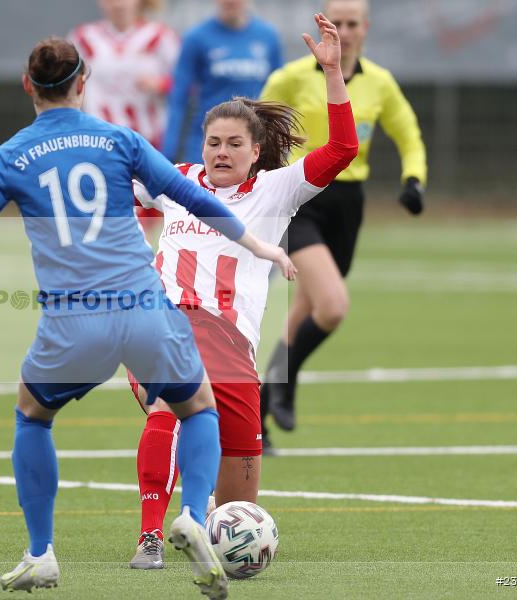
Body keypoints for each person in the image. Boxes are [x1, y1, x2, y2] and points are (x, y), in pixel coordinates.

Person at [0, 37, 291, 600]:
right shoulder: (119, 140)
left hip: (72, 321)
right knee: (199, 408)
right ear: (83, 83)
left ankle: (40, 553)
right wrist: (257, 244)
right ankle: (191, 514)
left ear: (27, 85)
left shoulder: (8, 157)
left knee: (32, 416)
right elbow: (194, 196)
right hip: (144, 309)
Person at [127, 13, 358, 569]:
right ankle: (150, 536)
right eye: (213, 142)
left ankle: (205, 521)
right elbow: (110, 190)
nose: (221, 152)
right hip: (165, 323)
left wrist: (333, 74)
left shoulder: (276, 192)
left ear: (256, 152)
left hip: (233, 348)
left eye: (234, 143)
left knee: (235, 511)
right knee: (170, 401)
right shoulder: (175, 181)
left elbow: (343, 149)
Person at [257, 0, 428, 449]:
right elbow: (256, 128)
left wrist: (414, 179)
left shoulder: (380, 82)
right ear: (324, 25)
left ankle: (258, 414)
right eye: (338, 22)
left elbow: (408, 134)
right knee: (332, 306)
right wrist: (259, 182)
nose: (345, 31)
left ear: (365, 28)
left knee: (303, 312)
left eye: (353, 23)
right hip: (300, 198)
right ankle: (285, 385)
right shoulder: (291, 77)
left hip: (348, 204)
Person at [68, 0, 180, 235]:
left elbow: (186, 84)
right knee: (103, 216)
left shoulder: (160, 37)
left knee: (145, 215)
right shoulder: (83, 38)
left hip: (148, 140)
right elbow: (64, 84)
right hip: (99, 141)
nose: (119, 4)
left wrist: (162, 84)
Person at [162, 0, 285, 164]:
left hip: (253, 144)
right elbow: (178, 97)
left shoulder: (268, 36)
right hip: (209, 143)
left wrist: (280, 142)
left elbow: (279, 94)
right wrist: (168, 153)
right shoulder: (196, 38)